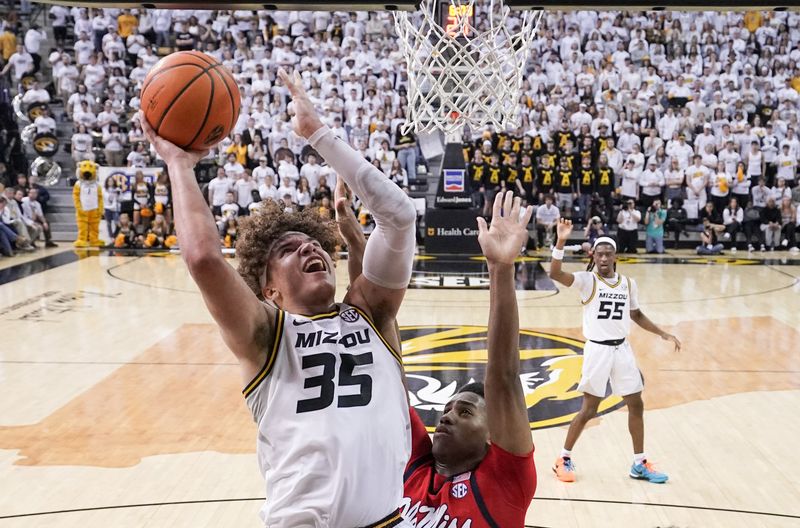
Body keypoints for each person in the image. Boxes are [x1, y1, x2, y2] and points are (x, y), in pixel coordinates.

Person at [139, 65, 417, 528]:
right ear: (268, 290)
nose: (309, 247)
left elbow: (399, 216)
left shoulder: (372, 314)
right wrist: (179, 165)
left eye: (313, 244)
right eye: (287, 250)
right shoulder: (266, 334)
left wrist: (317, 133)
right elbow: (205, 258)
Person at [338, 189, 537, 526]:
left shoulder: (504, 482)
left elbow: (502, 377)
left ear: (494, 435)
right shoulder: (415, 464)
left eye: (465, 412)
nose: (446, 417)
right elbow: (381, 342)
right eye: (448, 409)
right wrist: (357, 246)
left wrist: (501, 269)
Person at [549, 221, 681, 484]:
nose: (605, 257)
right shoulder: (587, 281)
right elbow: (555, 274)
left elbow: (636, 315)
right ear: (594, 257)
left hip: (622, 349)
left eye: (609, 253)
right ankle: (563, 458)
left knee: (636, 403)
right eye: (600, 253)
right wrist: (561, 242)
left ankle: (639, 463)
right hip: (597, 350)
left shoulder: (627, 284)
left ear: (615, 256)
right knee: (589, 409)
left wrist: (662, 333)